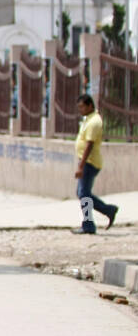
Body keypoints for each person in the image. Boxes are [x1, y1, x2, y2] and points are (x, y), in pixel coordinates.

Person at [72, 94, 119, 234]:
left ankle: (91, 223)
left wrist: (81, 166)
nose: (80, 110)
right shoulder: (89, 119)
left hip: (90, 163)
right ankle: (106, 212)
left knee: (83, 194)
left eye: (82, 107)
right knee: (83, 193)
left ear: (90, 106)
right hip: (87, 162)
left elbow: (89, 145)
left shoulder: (94, 122)